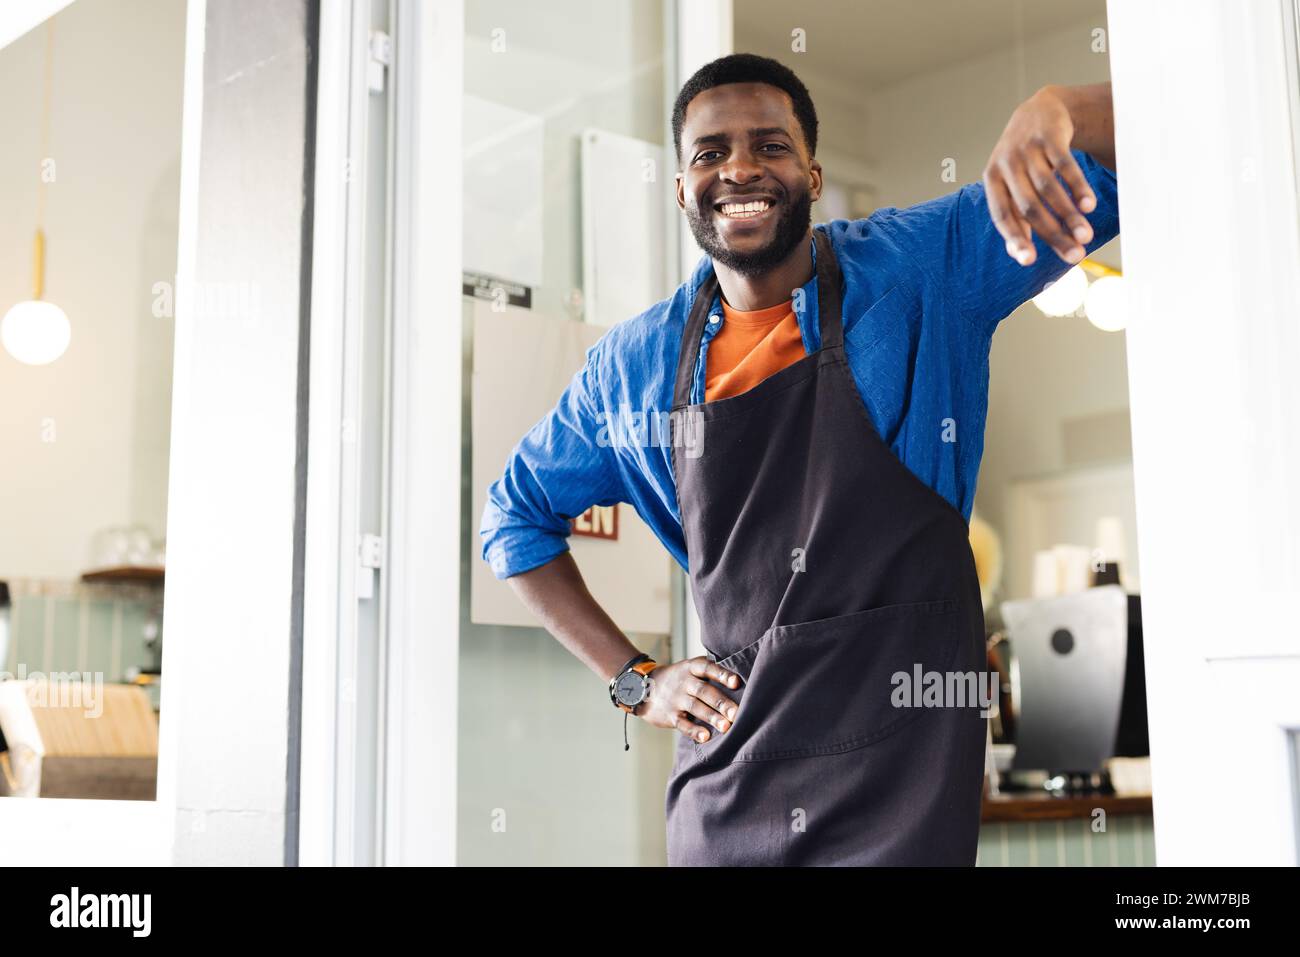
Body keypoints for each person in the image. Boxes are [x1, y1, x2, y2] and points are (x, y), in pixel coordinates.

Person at [479, 53, 1118, 865]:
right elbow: (513, 521)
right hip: (732, 794)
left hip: (904, 786)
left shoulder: (923, 269)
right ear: (682, 187)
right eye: (710, 152)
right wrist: (637, 681)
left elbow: (1150, 141)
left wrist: (1062, 104)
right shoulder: (631, 368)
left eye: (769, 145)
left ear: (812, 173)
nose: (739, 167)